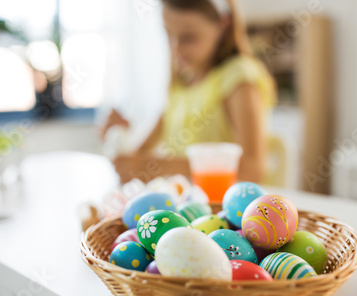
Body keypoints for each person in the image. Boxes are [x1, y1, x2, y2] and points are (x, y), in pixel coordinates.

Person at [102, 0, 276, 184]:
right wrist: (120, 137)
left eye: (188, 38)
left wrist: (162, 166)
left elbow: (252, 170)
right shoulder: (180, 84)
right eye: (169, 34)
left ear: (223, 24)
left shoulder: (239, 79)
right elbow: (139, 158)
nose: (176, 49)